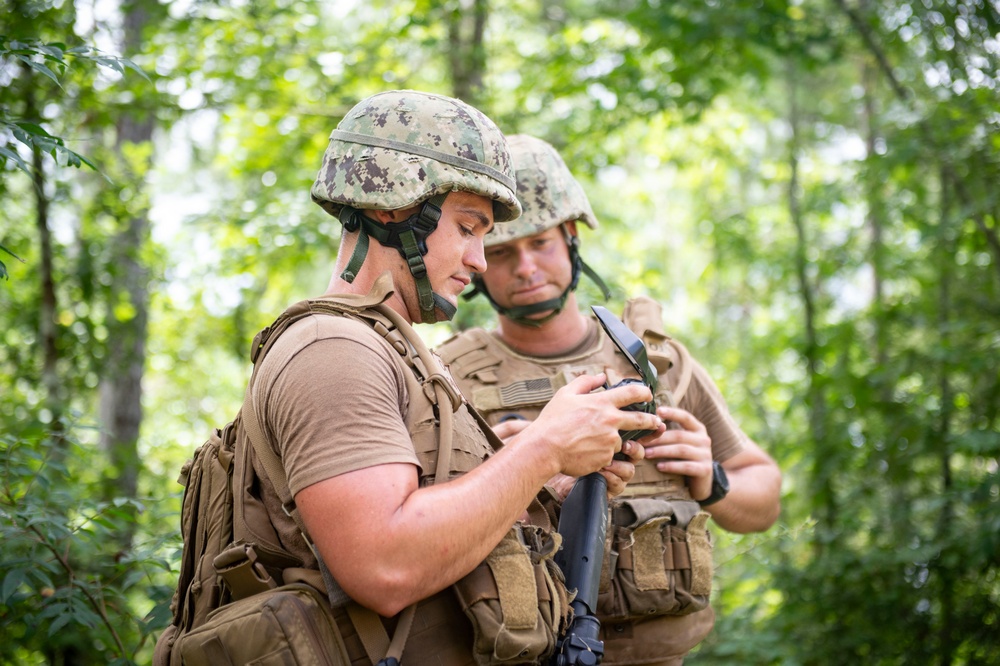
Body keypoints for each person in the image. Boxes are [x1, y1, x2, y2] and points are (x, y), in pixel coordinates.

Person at [242, 92, 663, 665]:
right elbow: (384, 566)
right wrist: (543, 448)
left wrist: (545, 488)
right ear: (393, 209)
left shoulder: (393, 350)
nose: (482, 261)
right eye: (469, 228)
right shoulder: (333, 350)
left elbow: (430, 524)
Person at [436, 134, 783, 666]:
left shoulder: (658, 365)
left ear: (571, 237)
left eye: (541, 243)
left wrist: (712, 479)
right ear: (479, 260)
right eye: (503, 252)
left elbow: (765, 499)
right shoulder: (450, 377)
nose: (525, 267)